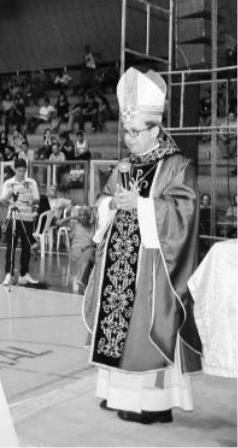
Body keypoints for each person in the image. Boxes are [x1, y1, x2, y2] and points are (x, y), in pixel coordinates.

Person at [83, 67, 202, 425]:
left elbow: (185, 214)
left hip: (151, 269)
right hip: (117, 268)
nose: (129, 139)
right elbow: (100, 205)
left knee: (141, 332)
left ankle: (152, 404)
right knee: (116, 328)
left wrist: (144, 206)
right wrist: (111, 205)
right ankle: (115, 393)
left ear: (155, 130)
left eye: (135, 133)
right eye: (126, 132)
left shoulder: (176, 167)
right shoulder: (123, 166)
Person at [0, 158, 40, 286]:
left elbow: (37, 199)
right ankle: (8, 274)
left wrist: (30, 201)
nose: (21, 173)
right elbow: (2, 200)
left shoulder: (31, 182)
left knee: (26, 247)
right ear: (14, 169)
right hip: (13, 217)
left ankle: (24, 275)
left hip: (27, 218)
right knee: (11, 246)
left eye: (23, 171)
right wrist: (9, 197)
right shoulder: (8, 183)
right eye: (19, 170)